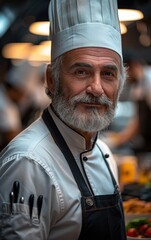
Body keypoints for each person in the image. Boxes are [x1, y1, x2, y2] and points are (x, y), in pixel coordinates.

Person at [0, 0, 127, 239]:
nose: (97, 88)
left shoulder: (103, 152)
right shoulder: (28, 163)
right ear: (51, 78)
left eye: (108, 74)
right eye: (81, 72)